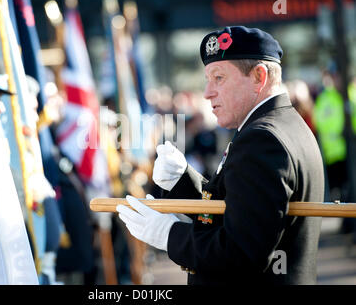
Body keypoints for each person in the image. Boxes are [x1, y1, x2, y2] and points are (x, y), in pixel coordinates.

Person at [116, 26, 325, 285]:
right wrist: (183, 181)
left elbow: (241, 253)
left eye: (219, 78)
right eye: (207, 79)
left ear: (259, 77)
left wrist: (169, 234)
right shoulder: (281, 125)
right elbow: (239, 211)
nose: (207, 92)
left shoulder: (262, 139)